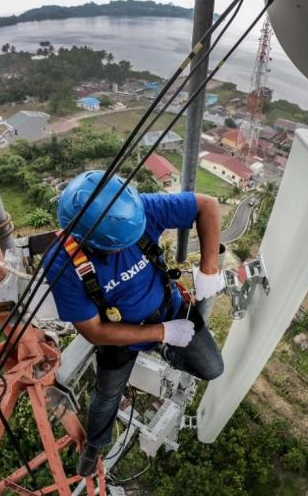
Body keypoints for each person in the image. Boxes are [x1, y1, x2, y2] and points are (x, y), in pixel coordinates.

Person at [45, 170, 225, 477]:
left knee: (212, 368)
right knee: (106, 397)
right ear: (92, 241)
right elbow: (93, 331)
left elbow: (207, 205)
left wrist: (208, 269)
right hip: (120, 337)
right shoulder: (63, 264)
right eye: (118, 247)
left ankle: (167, 349)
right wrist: (161, 333)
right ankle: (95, 444)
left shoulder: (132, 211)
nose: (126, 249)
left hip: (169, 307)